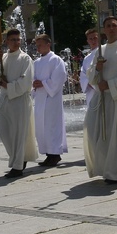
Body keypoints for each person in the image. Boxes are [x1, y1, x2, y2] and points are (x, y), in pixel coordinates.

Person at [83, 16, 117, 184]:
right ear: (104, 29)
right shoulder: (100, 50)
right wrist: (97, 69)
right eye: (108, 26)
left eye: (114, 25)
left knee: (116, 137)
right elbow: (90, 76)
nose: (112, 28)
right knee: (93, 131)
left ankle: (114, 173)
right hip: (101, 99)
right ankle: (103, 167)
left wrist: (110, 85)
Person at [0, 28, 37, 178]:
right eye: (13, 40)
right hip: (5, 99)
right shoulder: (3, 58)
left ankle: (17, 166)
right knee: (4, 131)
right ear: (7, 42)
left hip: (19, 99)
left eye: (18, 39)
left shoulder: (25, 59)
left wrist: (8, 86)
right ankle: (18, 158)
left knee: (18, 133)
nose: (16, 42)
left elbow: (26, 81)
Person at [32, 34, 68, 167]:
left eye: (40, 45)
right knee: (41, 126)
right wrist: (34, 84)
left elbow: (60, 78)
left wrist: (44, 83)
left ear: (48, 44)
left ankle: (55, 154)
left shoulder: (56, 60)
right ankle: (48, 153)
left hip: (52, 99)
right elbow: (32, 78)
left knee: (52, 125)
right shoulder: (36, 62)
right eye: (37, 46)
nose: (38, 48)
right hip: (40, 99)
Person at [79, 28, 101, 107]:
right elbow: (83, 75)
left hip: (101, 89)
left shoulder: (103, 52)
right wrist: (88, 83)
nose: (93, 41)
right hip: (90, 91)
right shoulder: (87, 58)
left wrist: (95, 84)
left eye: (95, 38)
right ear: (87, 41)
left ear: (99, 38)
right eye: (90, 39)